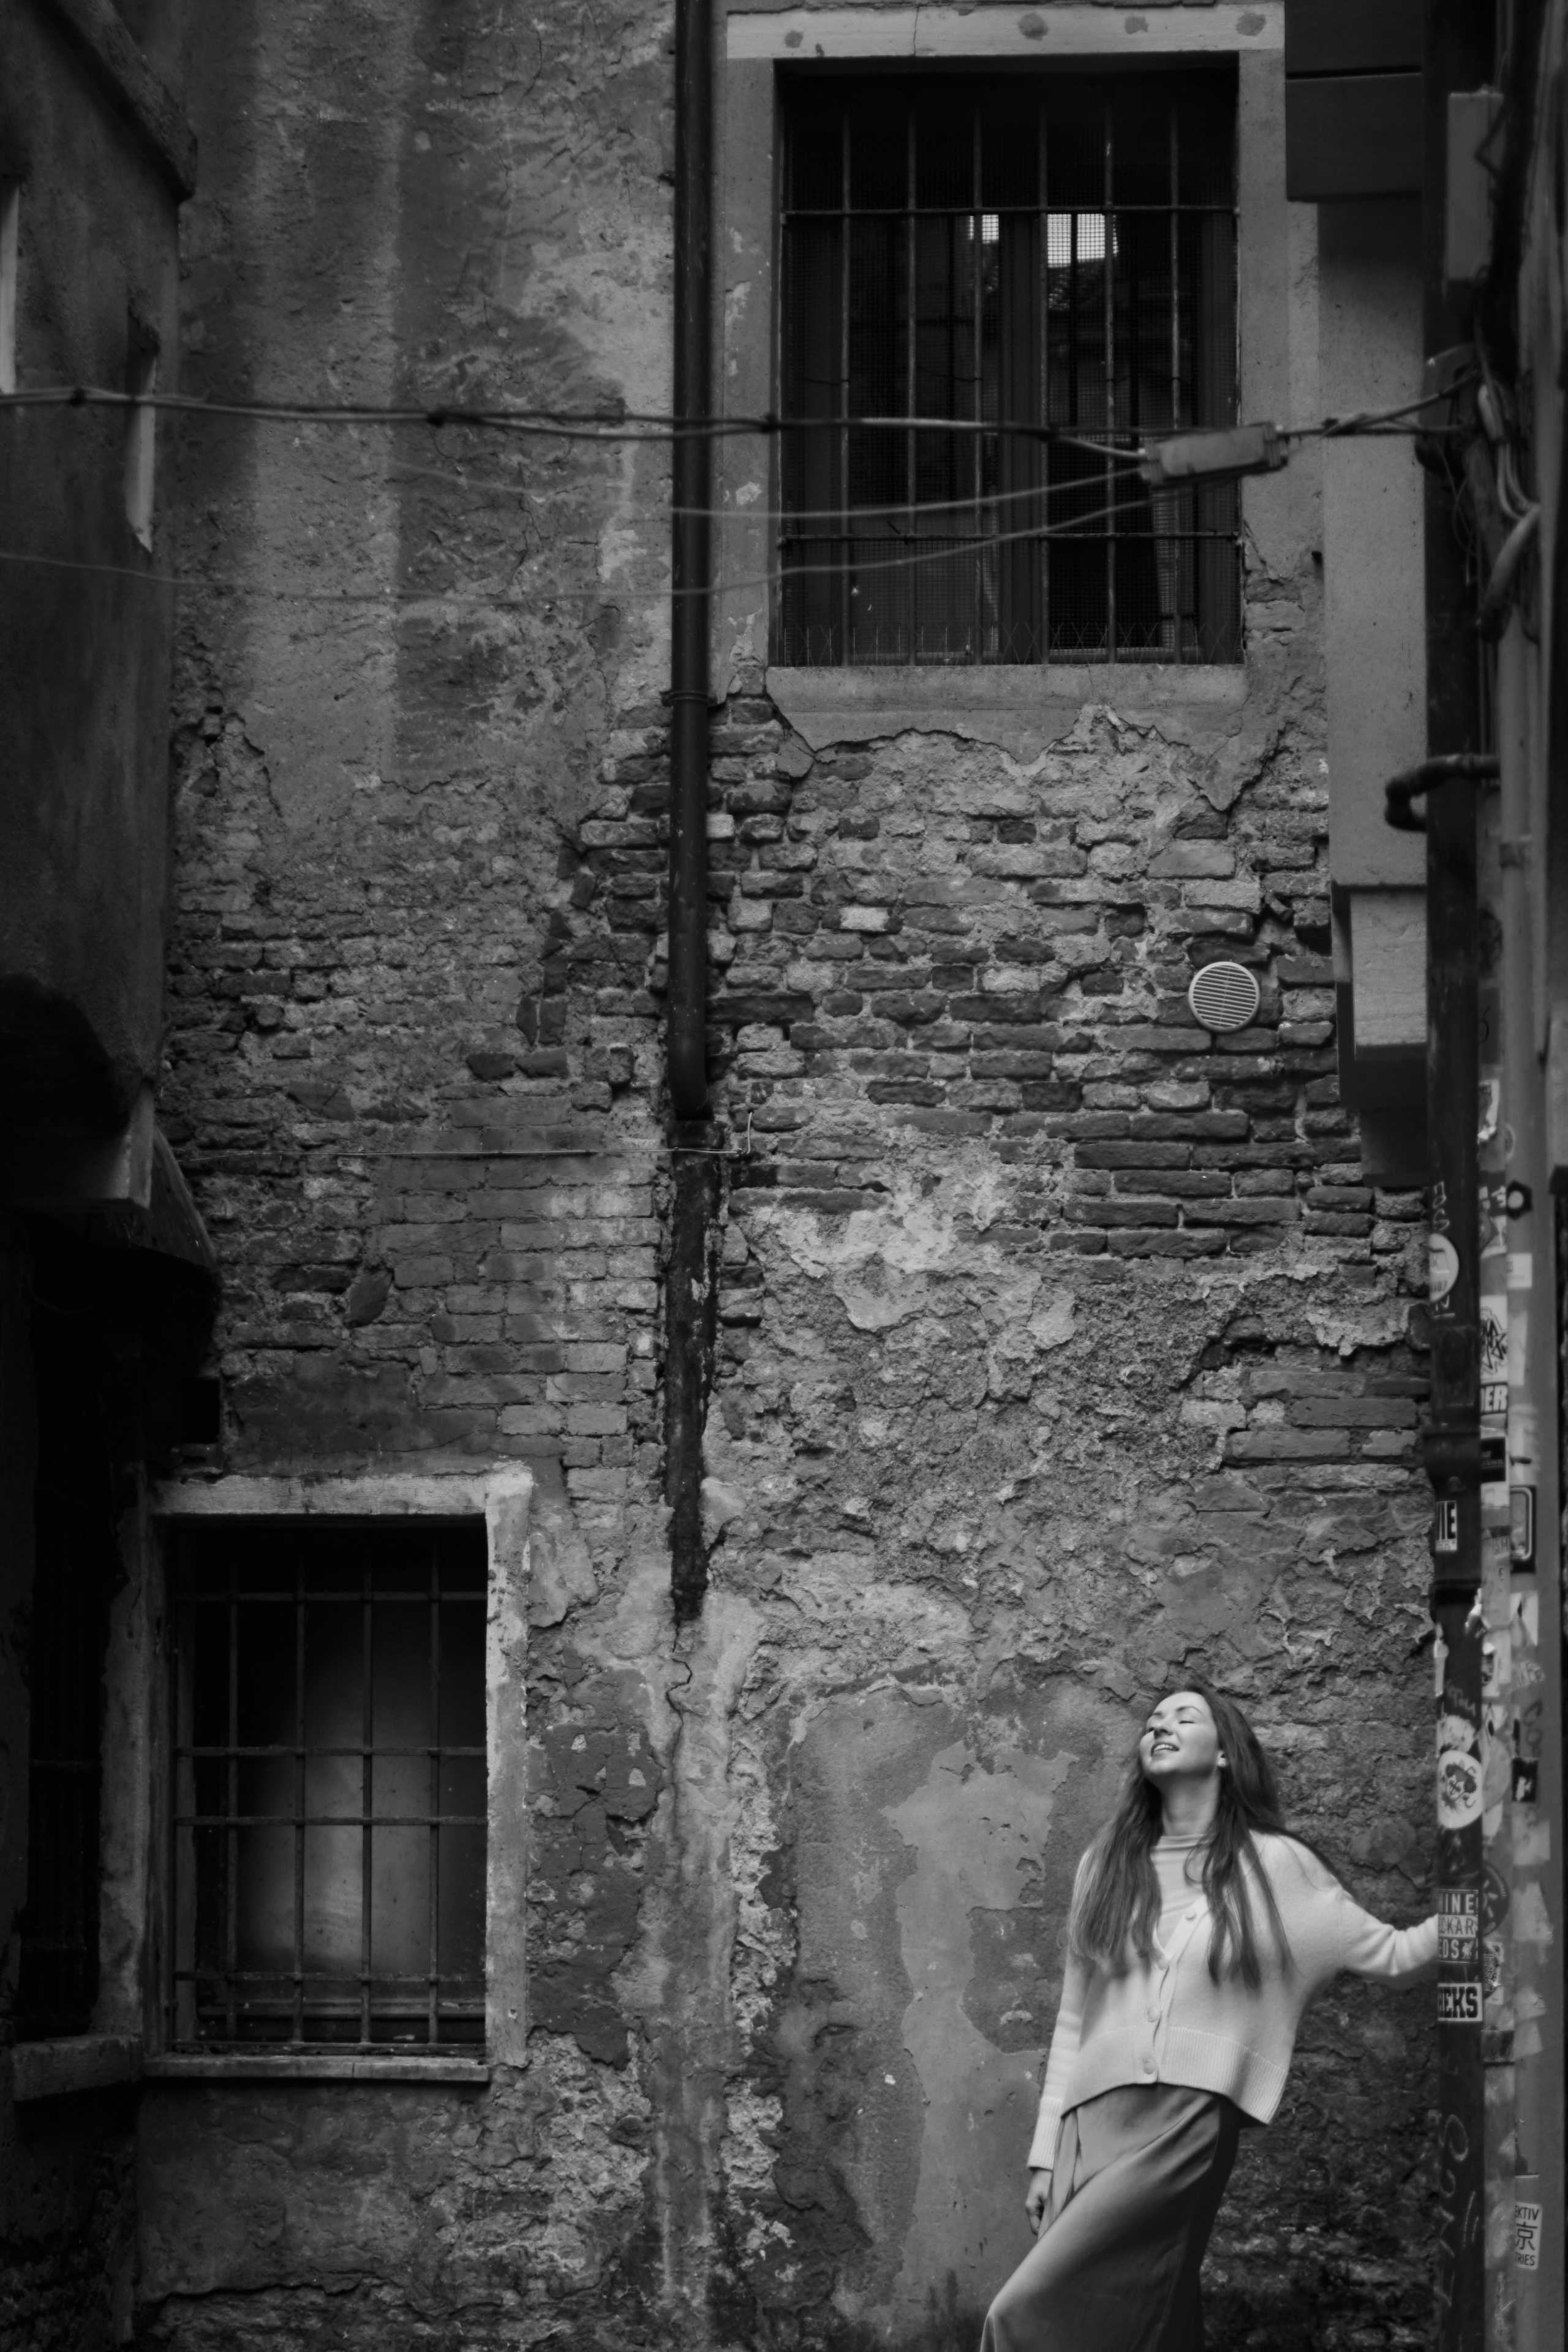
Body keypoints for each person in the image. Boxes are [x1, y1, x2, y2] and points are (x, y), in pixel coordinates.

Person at [980, 1681, 1439, 2352]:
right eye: (1152, 1721)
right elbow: (1073, 2018)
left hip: (1185, 2122)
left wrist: (1483, 1905)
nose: (1160, 1727)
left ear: (1224, 1753)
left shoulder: (1275, 1867)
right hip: (1089, 2123)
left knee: (1027, 2309)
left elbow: (1394, 1955)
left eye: (1182, 1717)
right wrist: (1046, 2151)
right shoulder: (1104, 1866)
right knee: (1154, 2317)